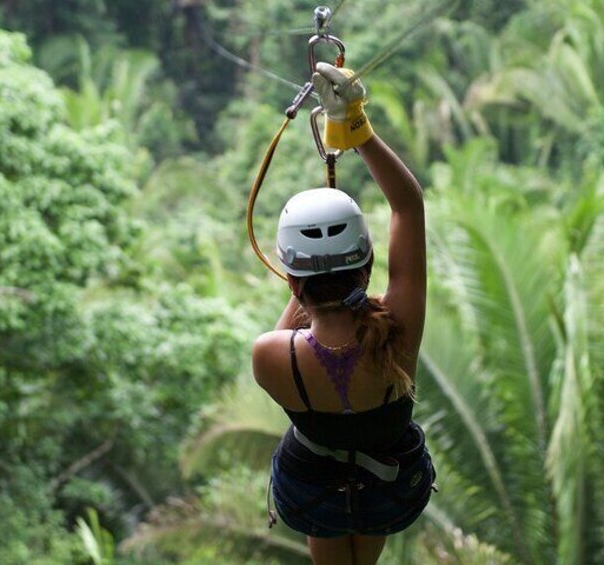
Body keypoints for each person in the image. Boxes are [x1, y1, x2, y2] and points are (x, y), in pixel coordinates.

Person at [252, 62, 434, 565]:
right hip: (391, 488)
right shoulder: (398, 330)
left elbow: (294, 326)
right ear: (367, 266)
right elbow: (408, 208)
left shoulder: (269, 355)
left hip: (313, 492)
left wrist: (308, 282)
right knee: (369, 486)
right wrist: (357, 129)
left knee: (326, 486)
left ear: (292, 280)